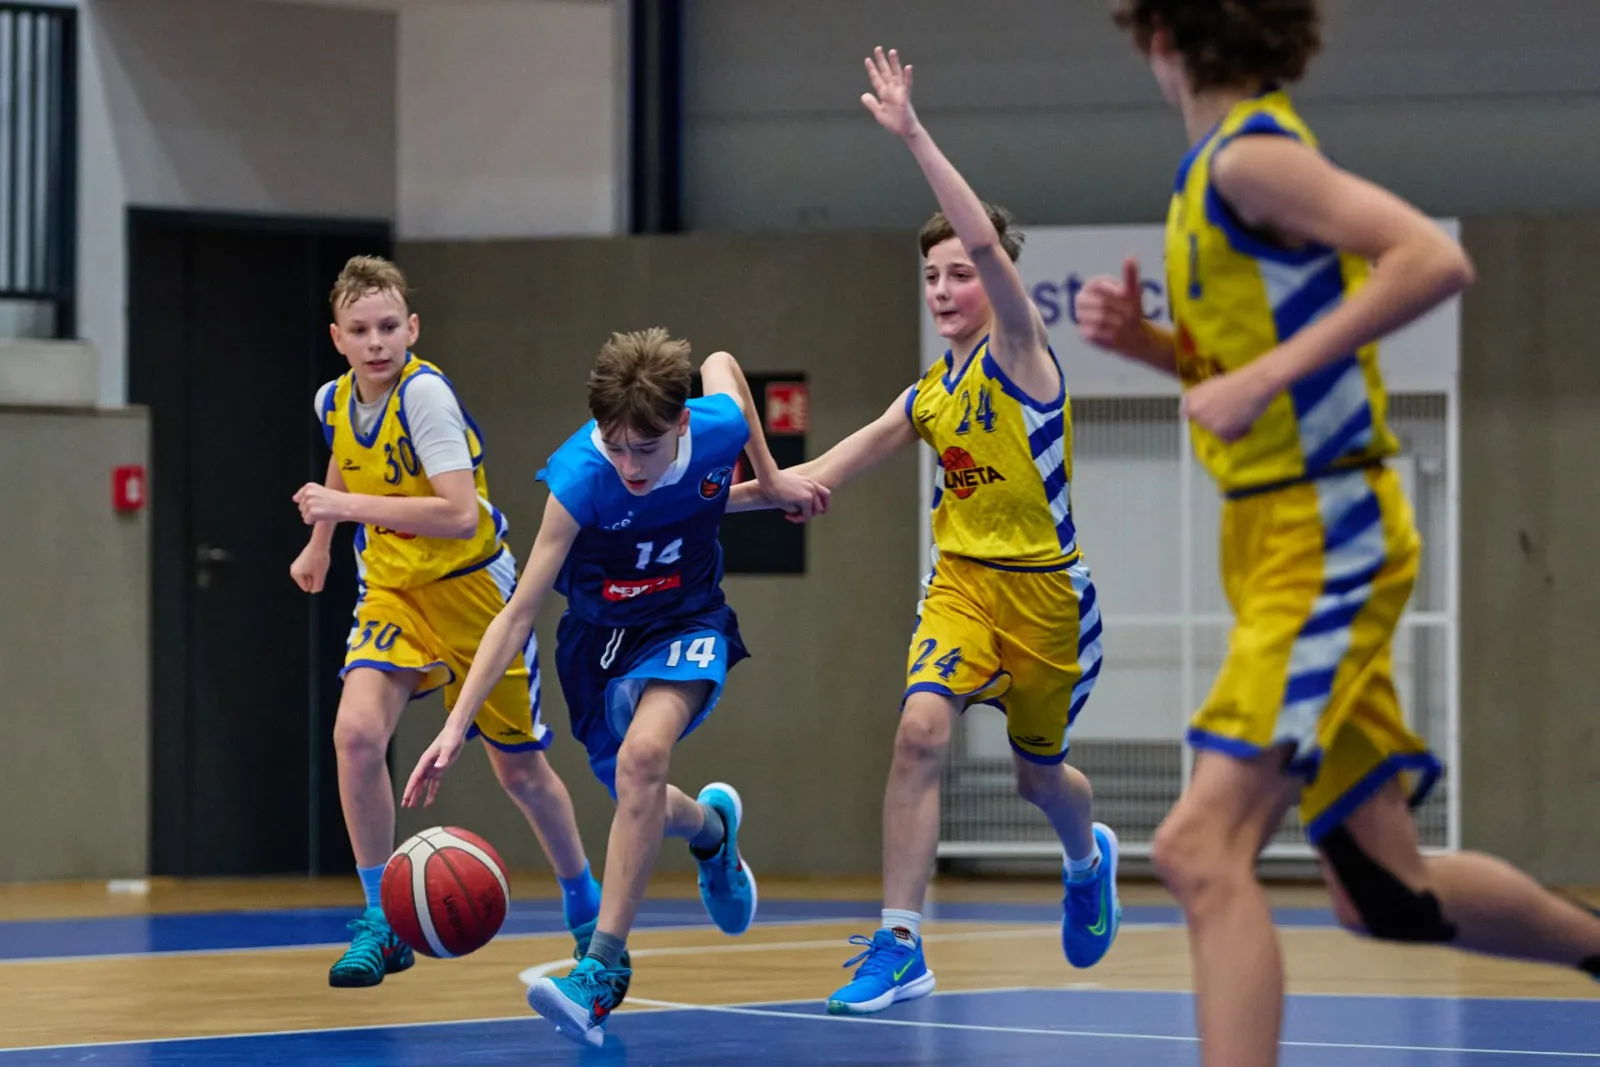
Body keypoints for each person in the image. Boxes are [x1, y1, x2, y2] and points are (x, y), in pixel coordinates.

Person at [1078, 4, 1600, 1064]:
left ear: (1161, 37)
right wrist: (1156, 348)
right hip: (1273, 532)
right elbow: (1251, 364)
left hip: (1325, 527)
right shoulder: (1212, 174)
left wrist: (1261, 376)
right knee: (1386, 893)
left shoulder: (1250, 160)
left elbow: (1429, 259)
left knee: (1197, 847)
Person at [733, 48, 1120, 1017]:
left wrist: (911, 134)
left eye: (960, 273)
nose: (944, 288)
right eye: (931, 276)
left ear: (993, 279)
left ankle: (1086, 858)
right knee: (917, 732)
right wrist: (717, 499)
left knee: (1039, 780)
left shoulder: (1022, 356)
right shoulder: (929, 396)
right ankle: (901, 943)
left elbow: (985, 241)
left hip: (1045, 596)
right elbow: (822, 470)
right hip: (961, 586)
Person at [402, 328, 828, 1047]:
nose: (629, 463)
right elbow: (516, 615)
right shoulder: (580, 479)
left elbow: (722, 364)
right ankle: (713, 831)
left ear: (682, 422)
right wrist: (454, 726)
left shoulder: (715, 427)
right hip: (598, 645)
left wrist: (773, 476)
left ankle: (600, 968)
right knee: (641, 793)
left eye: (645, 448)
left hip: (688, 620)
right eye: (616, 445)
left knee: (643, 759)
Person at [291, 256, 602, 988]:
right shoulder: (334, 399)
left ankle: (587, 908)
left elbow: (459, 513)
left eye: (388, 326)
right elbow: (345, 460)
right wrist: (320, 543)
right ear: (337, 337)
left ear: (413, 328)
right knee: (355, 735)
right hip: (393, 591)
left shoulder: (424, 396)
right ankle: (380, 919)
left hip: (472, 593)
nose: (376, 342)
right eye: (360, 330)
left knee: (519, 771)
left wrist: (344, 511)